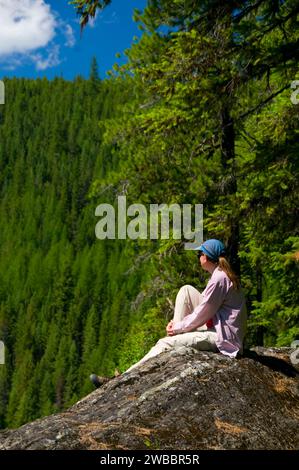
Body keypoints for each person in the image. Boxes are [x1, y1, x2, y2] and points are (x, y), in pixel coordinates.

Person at [90, 239, 247, 386]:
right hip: (221, 329)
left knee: (164, 343)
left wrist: (178, 327)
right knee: (186, 290)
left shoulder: (219, 278)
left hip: (223, 338)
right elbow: (205, 309)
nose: (198, 256)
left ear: (207, 257)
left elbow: (203, 313)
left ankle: (122, 380)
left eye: (200, 254)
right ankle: (175, 338)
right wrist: (178, 327)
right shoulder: (221, 275)